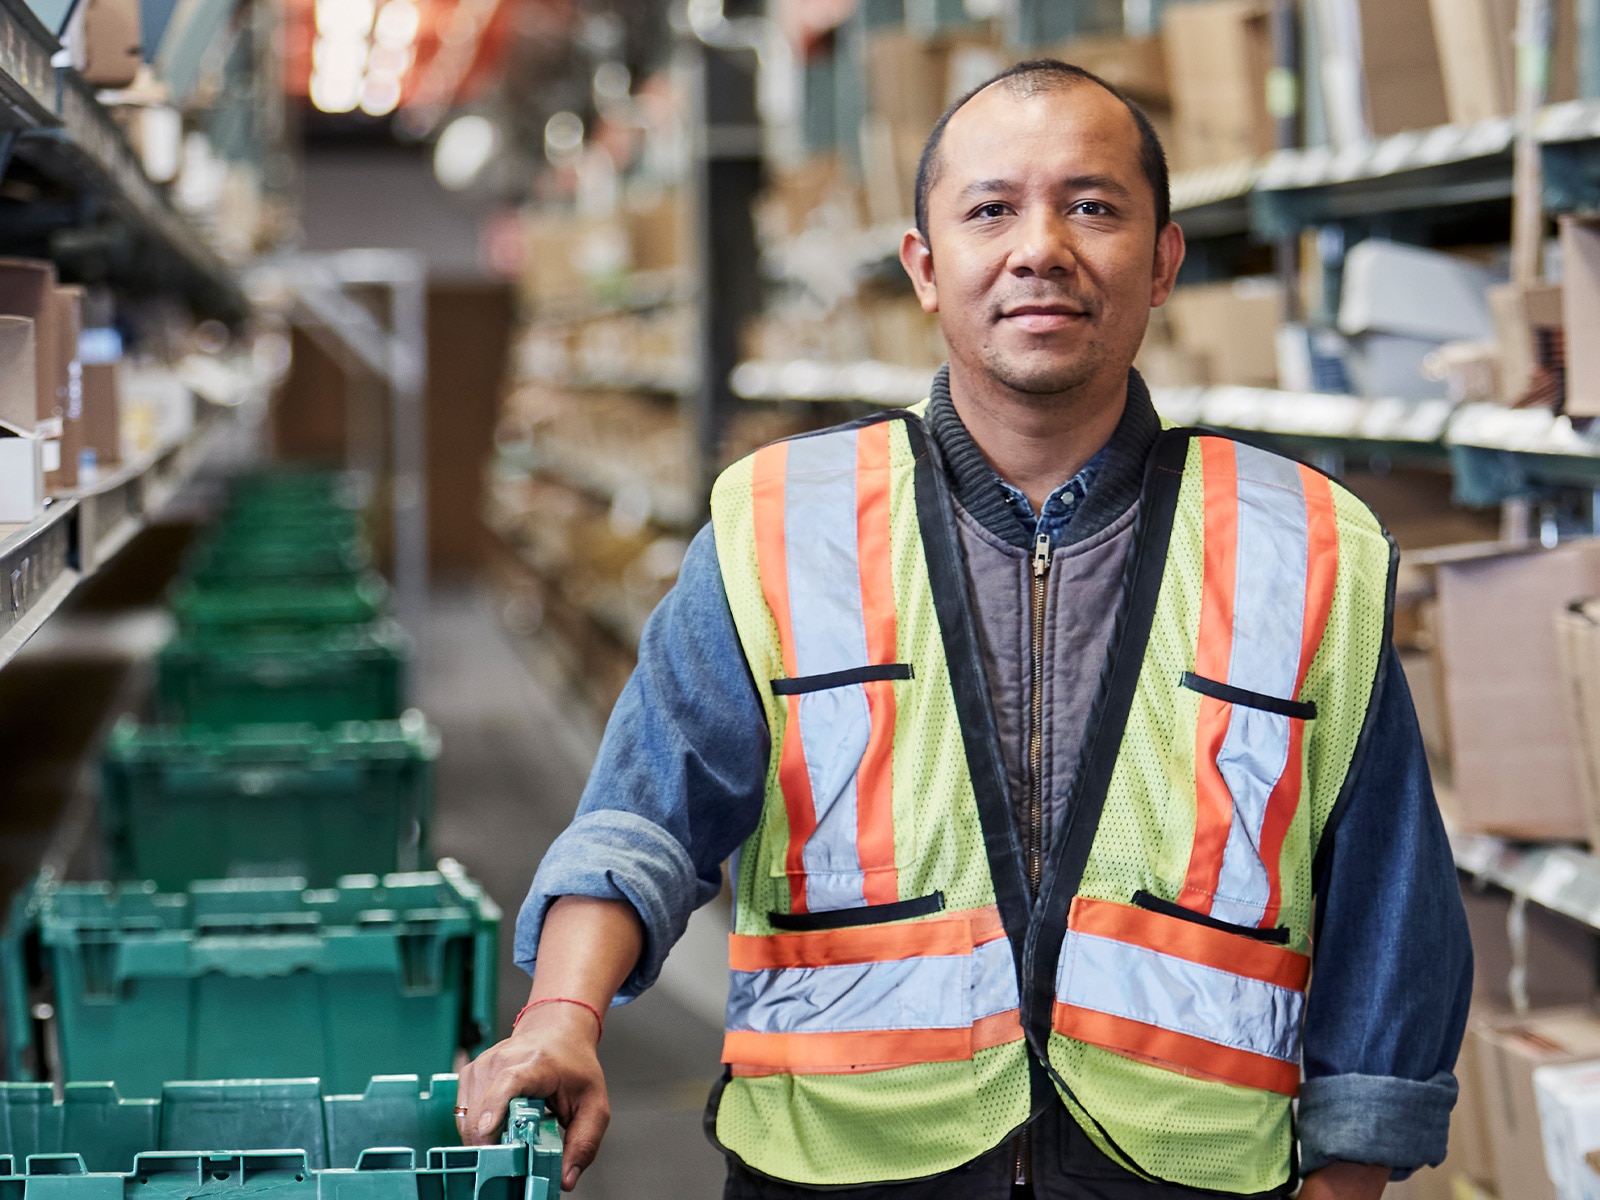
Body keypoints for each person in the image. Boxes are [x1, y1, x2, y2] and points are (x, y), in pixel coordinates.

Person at [456, 59, 1472, 1200]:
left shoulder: (1305, 546)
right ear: (925, 270)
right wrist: (560, 1014)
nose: (1040, 246)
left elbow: (1389, 899)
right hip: (843, 1165)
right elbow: (643, 814)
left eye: (1091, 205)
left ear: (1163, 262)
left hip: (1183, 1172)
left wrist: (1349, 1181)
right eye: (991, 209)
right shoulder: (785, 524)